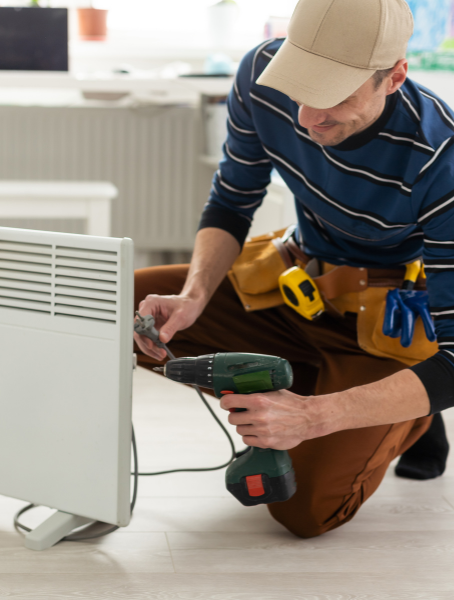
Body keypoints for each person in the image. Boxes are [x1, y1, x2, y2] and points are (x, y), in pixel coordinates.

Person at [133, 0, 453, 538]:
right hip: (290, 289)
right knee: (110, 304)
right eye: (300, 86)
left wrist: (313, 418)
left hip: (380, 332)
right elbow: (232, 202)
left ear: (394, 76)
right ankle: (319, 387)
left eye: (332, 95)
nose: (305, 118)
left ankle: (408, 410)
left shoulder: (439, 159)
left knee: (302, 511)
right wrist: (193, 296)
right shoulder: (261, 76)